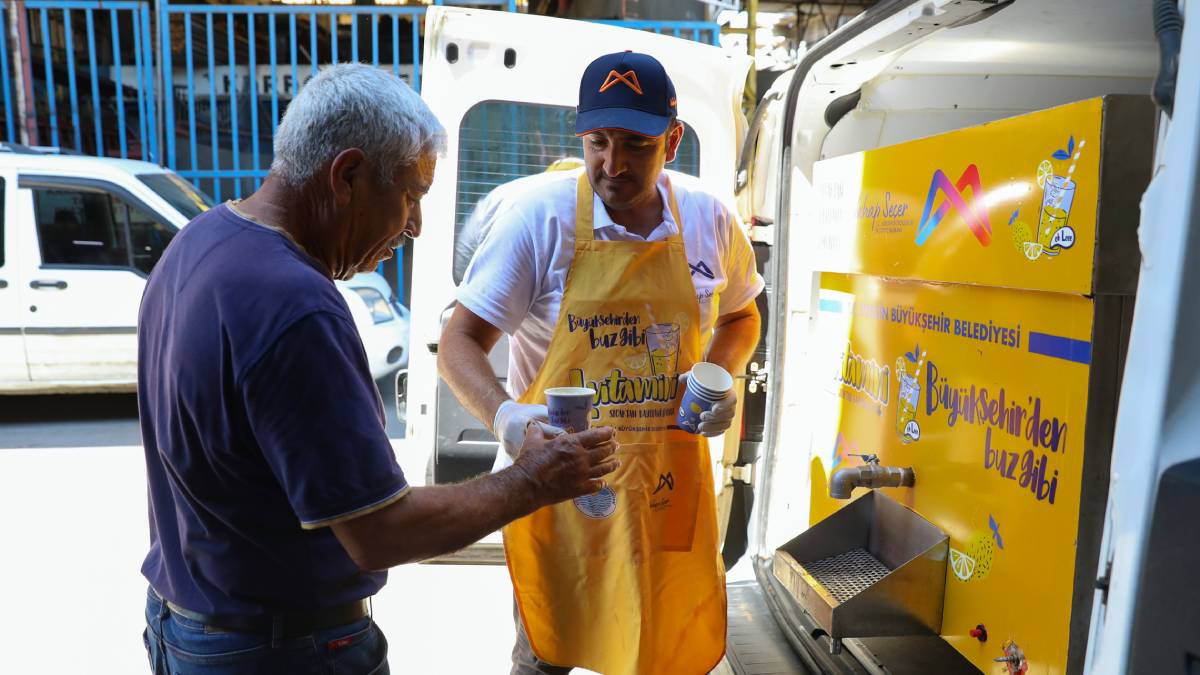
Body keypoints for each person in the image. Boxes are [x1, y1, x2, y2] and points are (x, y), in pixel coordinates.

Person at [137, 64, 618, 675]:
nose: (414, 225)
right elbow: (381, 533)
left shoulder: (199, 242)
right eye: (412, 195)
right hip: (278, 651)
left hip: (187, 626)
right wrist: (531, 480)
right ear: (349, 175)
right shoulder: (295, 305)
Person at [439, 51, 764, 674]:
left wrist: (718, 376)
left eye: (637, 145)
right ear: (580, 134)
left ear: (672, 140)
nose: (612, 165)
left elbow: (743, 314)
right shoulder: (539, 222)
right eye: (598, 142)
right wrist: (510, 421)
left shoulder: (710, 220)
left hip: (665, 488)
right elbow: (459, 344)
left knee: (664, 651)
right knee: (548, 655)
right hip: (556, 492)